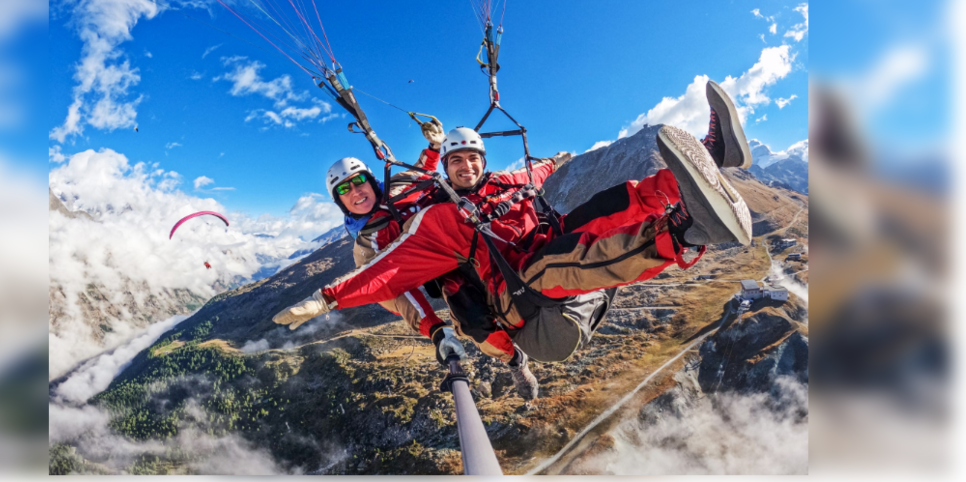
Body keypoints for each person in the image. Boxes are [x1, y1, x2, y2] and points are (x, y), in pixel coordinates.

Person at [275, 80, 752, 365]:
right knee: (553, 265)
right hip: (519, 299)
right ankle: (688, 233)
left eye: (471, 159)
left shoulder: (499, 182)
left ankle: (707, 163)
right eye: (454, 162)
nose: (465, 168)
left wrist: (557, 159)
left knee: (600, 208)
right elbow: (390, 274)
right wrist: (326, 298)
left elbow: (535, 170)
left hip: (543, 260)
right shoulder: (440, 219)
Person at [325, 120, 539, 397]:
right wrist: (434, 328)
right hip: (444, 268)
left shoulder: (397, 188)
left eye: (358, 181)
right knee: (474, 321)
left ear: (370, 181)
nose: (355, 191)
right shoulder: (367, 245)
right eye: (344, 189)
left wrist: (435, 146)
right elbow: (392, 291)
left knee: (519, 267)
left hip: (467, 234)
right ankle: (515, 361)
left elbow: (422, 170)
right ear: (339, 201)